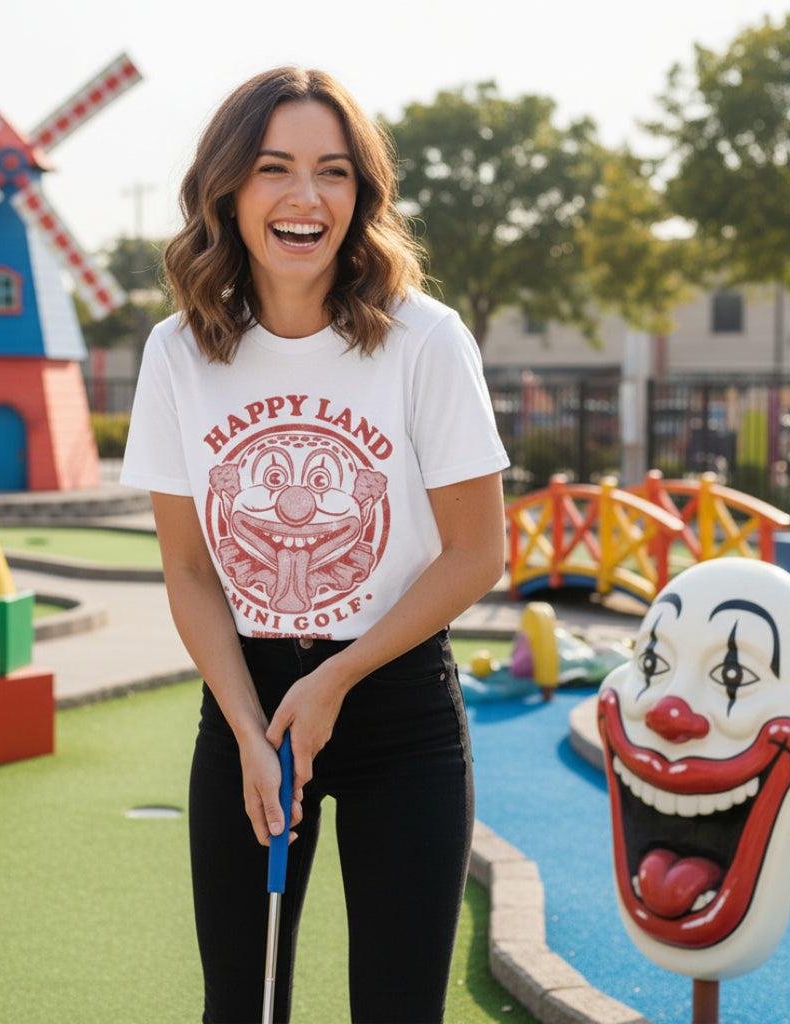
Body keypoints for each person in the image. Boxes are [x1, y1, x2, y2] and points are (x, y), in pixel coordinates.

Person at [120, 66, 510, 1023]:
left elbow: (476, 551)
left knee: (396, 1009)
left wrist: (335, 679)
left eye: (333, 172)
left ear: (362, 195)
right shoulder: (177, 352)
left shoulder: (426, 339)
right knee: (240, 1010)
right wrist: (252, 729)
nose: (305, 197)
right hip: (244, 704)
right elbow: (187, 566)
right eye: (274, 168)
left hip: (400, 705)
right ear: (229, 191)